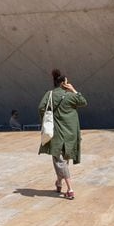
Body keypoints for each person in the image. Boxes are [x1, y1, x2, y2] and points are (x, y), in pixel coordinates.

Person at [38, 68, 89, 200]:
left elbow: (41, 108)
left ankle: (70, 189)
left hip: (56, 133)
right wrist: (73, 90)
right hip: (70, 133)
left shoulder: (49, 94)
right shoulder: (71, 96)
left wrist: (48, 119)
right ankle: (59, 182)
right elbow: (83, 102)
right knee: (63, 160)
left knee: (59, 161)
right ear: (63, 84)